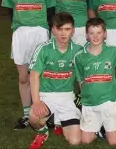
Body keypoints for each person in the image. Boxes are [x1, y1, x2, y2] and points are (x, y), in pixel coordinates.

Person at [1, 0, 56, 130]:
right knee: (24, 77)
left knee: (42, 75)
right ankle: (26, 115)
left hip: (40, 33)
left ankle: (46, 112)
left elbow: (51, 13)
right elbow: (10, 13)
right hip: (20, 34)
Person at [28, 13, 82, 149]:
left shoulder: (78, 51)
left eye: (67, 29)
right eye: (59, 29)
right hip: (46, 97)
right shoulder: (43, 49)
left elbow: (82, 79)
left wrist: (86, 99)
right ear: (53, 29)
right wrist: (36, 102)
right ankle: (43, 131)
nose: (63, 34)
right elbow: (33, 75)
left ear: (73, 30)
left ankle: (59, 121)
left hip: (67, 98)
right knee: (34, 117)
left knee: (75, 141)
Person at [73, 17, 116, 145]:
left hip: (109, 101)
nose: (95, 36)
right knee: (86, 141)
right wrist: (85, 97)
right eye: (92, 33)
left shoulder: (114, 51)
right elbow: (80, 81)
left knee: (114, 143)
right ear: (86, 35)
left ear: (105, 34)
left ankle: (104, 127)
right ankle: (98, 129)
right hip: (90, 102)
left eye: (99, 32)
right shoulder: (79, 56)